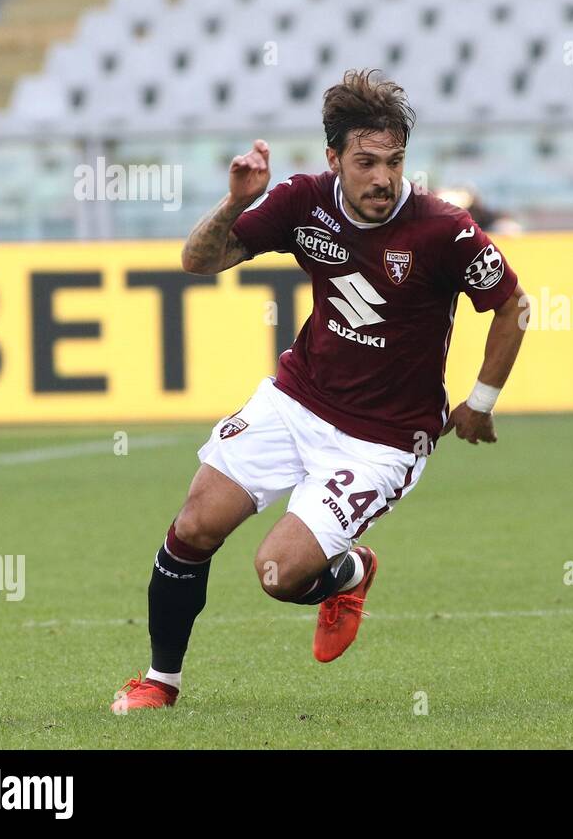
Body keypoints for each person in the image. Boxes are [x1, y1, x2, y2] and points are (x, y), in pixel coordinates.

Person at [111, 69, 526, 712]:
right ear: (334, 159)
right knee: (194, 526)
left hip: (383, 440)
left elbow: (513, 306)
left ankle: (349, 572)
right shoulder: (303, 202)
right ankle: (160, 683)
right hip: (296, 398)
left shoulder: (443, 229)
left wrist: (480, 401)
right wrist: (235, 203)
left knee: (277, 575)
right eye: (365, 162)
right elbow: (199, 261)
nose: (383, 178)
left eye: (394, 161)